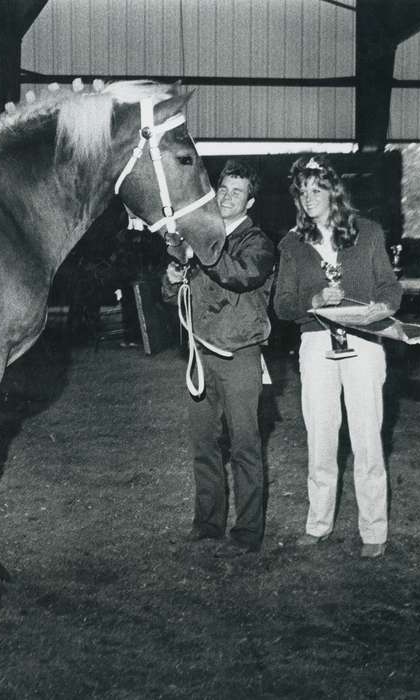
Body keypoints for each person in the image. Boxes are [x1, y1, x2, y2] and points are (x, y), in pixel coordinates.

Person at [273, 155, 402, 559]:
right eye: (302, 191)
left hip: (364, 343)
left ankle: (374, 530)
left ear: (333, 191)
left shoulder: (368, 232)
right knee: (321, 438)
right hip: (316, 344)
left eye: (316, 189)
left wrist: (381, 307)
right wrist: (312, 300)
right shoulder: (291, 243)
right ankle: (318, 524)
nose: (309, 198)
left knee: (366, 439)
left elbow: (390, 288)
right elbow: (283, 305)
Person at [163, 159, 276, 557]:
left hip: (239, 355)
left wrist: (200, 252)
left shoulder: (258, 242)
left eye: (236, 192)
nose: (227, 197)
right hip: (200, 354)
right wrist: (174, 277)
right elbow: (173, 292)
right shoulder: (204, 236)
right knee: (203, 443)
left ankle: (248, 529)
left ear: (251, 201)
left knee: (245, 444)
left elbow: (240, 276)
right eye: (223, 189)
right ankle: (208, 521)